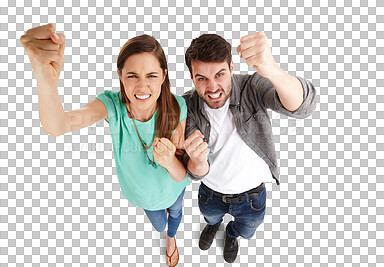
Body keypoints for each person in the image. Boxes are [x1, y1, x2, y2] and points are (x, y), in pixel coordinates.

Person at [20, 23, 189, 267]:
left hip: (174, 190)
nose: (142, 87)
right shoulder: (111, 106)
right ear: (120, 75)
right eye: (132, 76)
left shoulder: (177, 106)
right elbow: (58, 126)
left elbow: (181, 174)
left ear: (164, 75)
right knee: (160, 223)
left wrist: (170, 160)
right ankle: (166, 232)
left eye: (151, 75)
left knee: (175, 215)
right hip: (144, 196)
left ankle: (172, 239)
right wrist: (46, 83)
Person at [181, 32, 317, 263]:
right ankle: (214, 227)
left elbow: (302, 107)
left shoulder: (251, 86)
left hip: (252, 198)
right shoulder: (187, 105)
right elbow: (194, 174)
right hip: (210, 194)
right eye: (201, 78)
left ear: (231, 67)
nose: (212, 87)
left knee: (245, 230)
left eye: (220, 74)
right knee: (211, 218)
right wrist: (197, 160)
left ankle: (232, 235)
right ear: (192, 78)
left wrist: (271, 69)